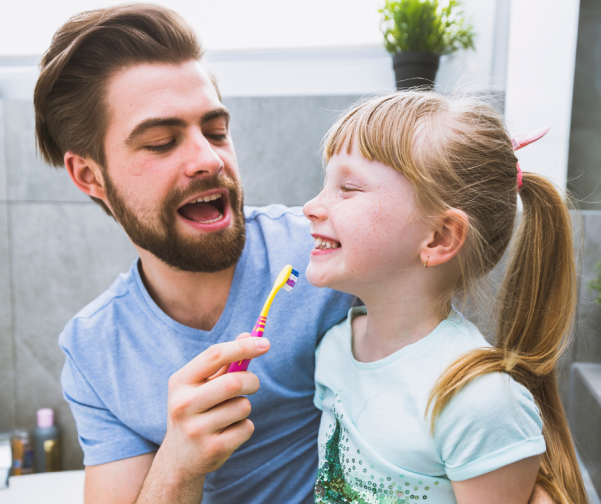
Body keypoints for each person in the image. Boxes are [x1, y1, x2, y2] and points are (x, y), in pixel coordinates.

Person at [33, 4, 353, 504]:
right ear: (90, 177)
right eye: (162, 142)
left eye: (217, 131)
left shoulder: (327, 250)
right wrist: (178, 465)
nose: (208, 158)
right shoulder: (96, 351)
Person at [303, 92, 587, 503]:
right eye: (325, 182)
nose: (312, 206)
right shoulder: (334, 349)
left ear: (439, 238)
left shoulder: (477, 401)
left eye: (347, 188)